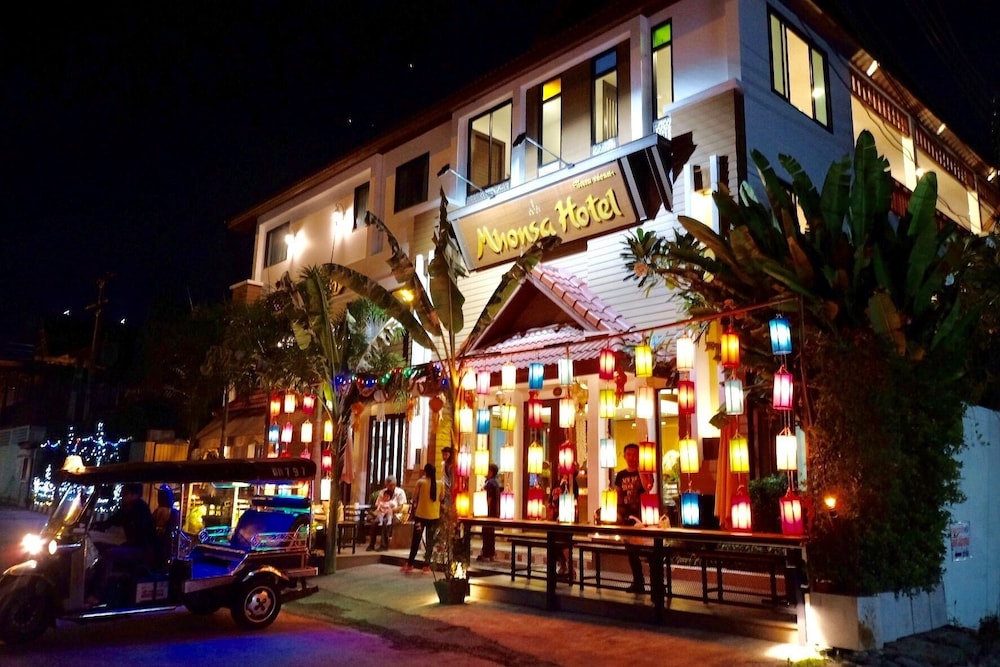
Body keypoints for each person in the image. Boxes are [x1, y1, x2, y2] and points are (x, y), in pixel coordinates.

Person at [90, 482, 157, 604]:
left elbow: (144, 534)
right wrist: (96, 525)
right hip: (133, 546)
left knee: (109, 554)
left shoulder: (140, 508)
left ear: (133, 494)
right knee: (98, 545)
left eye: (125, 493)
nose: (122, 495)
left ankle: (97, 595)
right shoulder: (129, 508)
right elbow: (113, 520)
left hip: (142, 550)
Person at [615, 443, 655, 593]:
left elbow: (647, 487)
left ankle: (656, 583)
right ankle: (638, 581)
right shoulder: (620, 475)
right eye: (629, 455)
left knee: (649, 551)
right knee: (631, 552)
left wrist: (640, 470)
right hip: (627, 518)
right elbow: (618, 495)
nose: (632, 458)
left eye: (635, 455)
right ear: (624, 456)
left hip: (643, 516)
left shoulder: (645, 472)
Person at [403, 463, 440, 573]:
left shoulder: (420, 482)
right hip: (434, 516)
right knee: (430, 541)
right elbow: (442, 497)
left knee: (416, 540)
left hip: (421, 516)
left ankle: (410, 564)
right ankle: (426, 565)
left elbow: (414, 497)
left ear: (425, 472)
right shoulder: (440, 484)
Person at [365, 475, 407, 551]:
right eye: (387, 485)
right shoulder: (383, 492)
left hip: (396, 514)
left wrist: (391, 510)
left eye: (391, 485)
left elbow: (402, 506)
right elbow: (378, 504)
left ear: (395, 484)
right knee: (375, 522)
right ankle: (371, 545)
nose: (389, 487)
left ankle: (384, 545)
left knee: (385, 522)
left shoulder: (400, 492)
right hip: (382, 513)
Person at [477, 463, 501, 561]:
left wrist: (483, 509)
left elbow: (489, 498)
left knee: (486, 532)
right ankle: (491, 553)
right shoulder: (496, 482)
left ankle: (486, 553)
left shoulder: (490, 483)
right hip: (495, 512)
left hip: (489, 512)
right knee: (491, 532)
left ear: (491, 472)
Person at [151, 484, 180, 567]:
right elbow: (174, 525)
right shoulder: (172, 512)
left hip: (157, 538)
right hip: (167, 538)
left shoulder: (156, 511)